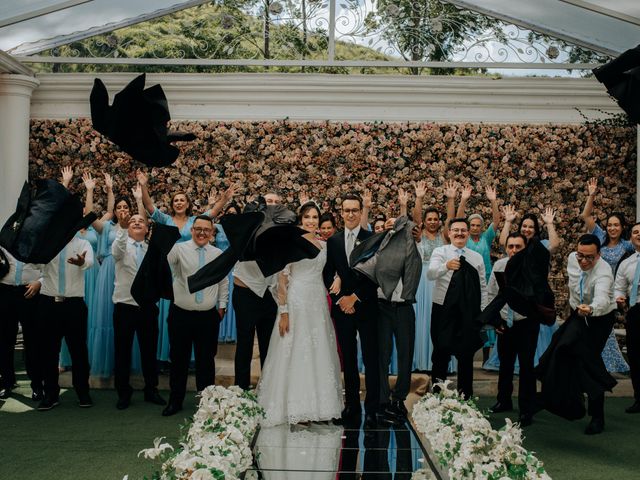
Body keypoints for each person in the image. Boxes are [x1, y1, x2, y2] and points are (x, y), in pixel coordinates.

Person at [136, 170, 236, 363]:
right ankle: (167, 358)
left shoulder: (194, 222)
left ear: (188, 204)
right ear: (172, 205)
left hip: (196, 270)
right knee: (176, 318)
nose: (179, 203)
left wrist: (224, 199)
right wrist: (144, 185)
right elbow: (149, 207)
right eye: (176, 200)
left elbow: (212, 214)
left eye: (182, 200)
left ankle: (193, 360)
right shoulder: (165, 220)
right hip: (172, 273)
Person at [258, 202, 342, 425]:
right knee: (295, 351)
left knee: (318, 352)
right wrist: (284, 311)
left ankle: (320, 407)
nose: (311, 221)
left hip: (318, 302)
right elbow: (282, 280)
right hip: (297, 301)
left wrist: (339, 278)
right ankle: (297, 407)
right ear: (300, 220)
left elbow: (334, 269)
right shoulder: (291, 243)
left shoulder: (325, 246)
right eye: (307, 217)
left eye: (315, 217)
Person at [323, 192, 380, 429]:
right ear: (341, 212)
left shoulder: (372, 238)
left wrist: (354, 297)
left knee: (371, 358)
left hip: (366, 307)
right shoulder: (334, 241)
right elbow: (328, 272)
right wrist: (339, 298)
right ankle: (352, 405)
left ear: (360, 211)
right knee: (348, 358)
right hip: (342, 310)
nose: (350, 214)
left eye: (354, 210)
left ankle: (373, 407)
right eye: (346, 210)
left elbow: (377, 274)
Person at [163, 215, 229, 416]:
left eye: (206, 230)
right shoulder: (179, 249)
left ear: (212, 233)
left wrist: (222, 306)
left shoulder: (218, 254)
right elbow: (164, 260)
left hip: (207, 317)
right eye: (198, 229)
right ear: (191, 230)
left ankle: (206, 403)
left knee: (206, 361)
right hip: (180, 314)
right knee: (179, 360)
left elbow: (223, 282)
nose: (202, 233)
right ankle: (175, 401)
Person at [485, 205, 560, 372]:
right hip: (508, 314)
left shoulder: (540, 248)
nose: (527, 229)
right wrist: (507, 221)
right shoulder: (510, 251)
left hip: (530, 310)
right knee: (507, 362)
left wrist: (549, 223)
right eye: (524, 226)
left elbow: (554, 245)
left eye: (531, 227)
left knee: (529, 362)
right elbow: (505, 242)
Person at [427, 218, 487, 399]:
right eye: (456, 230)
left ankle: (465, 396)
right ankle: (437, 395)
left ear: (468, 233)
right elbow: (430, 274)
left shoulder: (476, 257)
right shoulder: (440, 251)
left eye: (463, 230)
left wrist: (483, 313)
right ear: (450, 233)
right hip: (443, 310)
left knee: (466, 354)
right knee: (440, 352)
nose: (460, 233)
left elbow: (482, 286)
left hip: (468, 313)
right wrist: (446, 266)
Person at [111, 212, 165, 410]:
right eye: (132, 221)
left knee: (149, 351)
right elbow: (116, 251)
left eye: (141, 221)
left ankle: (151, 389)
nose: (136, 223)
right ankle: (123, 392)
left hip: (148, 308)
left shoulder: (153, 249)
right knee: (122, 352)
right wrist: (123, 229)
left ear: (147, 228)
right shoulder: (121, 245)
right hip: (125, 306)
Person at [563, 234, 617, 434]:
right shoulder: (571, 258)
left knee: (590, 362)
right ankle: (568, 400)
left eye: (590, 258)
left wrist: (591, 308)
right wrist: (578, 309)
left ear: (599, 255)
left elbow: (602, 298)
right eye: (580, 256)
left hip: (599, 318)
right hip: (577, 313)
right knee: (562, 350)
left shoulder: (604, 272)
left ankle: (597, 416)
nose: (584, 261)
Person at [36, 232, 94, 410]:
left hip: (74, 305)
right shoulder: (46, 243)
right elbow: (36, 263)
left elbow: (89, 263)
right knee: (48, 351)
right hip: (48, 303)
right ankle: (51, 395)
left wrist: (81, 262)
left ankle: (83, 392)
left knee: (79, 351)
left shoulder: (83, 243)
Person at [487, 233, 539, 427]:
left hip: (526, 322)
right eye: (511, 246)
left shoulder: (533, 267)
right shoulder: (499, 266)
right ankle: (504, 400)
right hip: (504, 321)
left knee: (526, 367)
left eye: (518, 247)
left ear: (525, 248)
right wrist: (495, 320)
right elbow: (492, 292)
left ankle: (527, 409)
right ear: (506, 247)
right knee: (505, 363)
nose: (514, 250)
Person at [581, 177, 631, 373]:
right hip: (593, 284)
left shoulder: (626, 246)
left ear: (622, 227)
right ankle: (594, 360)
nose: (612, 228)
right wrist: (592, 194)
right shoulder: (600, 238)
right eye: (609, 224)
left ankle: (608, 363)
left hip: (611, 290)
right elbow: (585, 216)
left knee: (605, 326)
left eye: (616, 225)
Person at [411, 180, 456, 372]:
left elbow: (452, 220)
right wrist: (419, 198)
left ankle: (441, 362)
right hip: (422, 281)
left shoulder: (444, 236)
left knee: (442, 320)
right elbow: (415, 218)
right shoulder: (418, 233)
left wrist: (451, 200)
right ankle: (422, 361)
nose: (432, 222)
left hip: (441, 280)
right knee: (422, 321)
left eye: (435, 219)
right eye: (429, 219)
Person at [0, 247, 42, 401]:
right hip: (5, 290)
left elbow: (49, 267)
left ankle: (37, 385)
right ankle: (7, 382)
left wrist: (39, 282)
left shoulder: (36, 241)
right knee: (5, 340)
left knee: (32, 341)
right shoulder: (4, 239)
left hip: (30, 291)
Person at [613, 221, 640, 413]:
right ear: (631, 238)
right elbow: (618, 288)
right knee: (636, 356)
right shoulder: (627, 263)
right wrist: (619, 300)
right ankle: (639, 398)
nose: (639, 234)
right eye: (636, 232)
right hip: (636, 312)